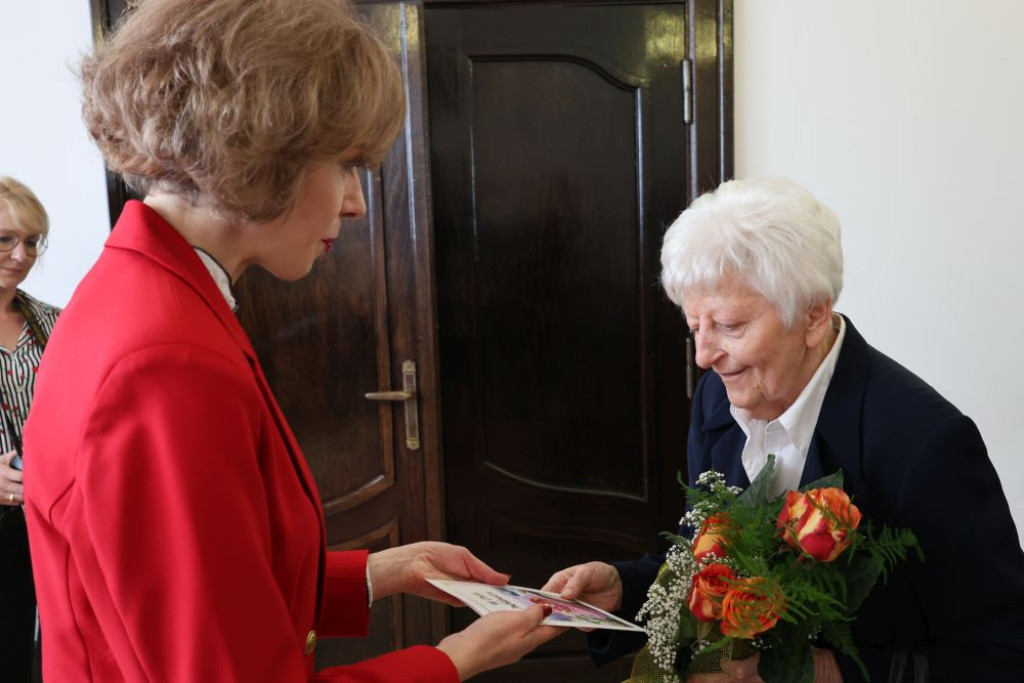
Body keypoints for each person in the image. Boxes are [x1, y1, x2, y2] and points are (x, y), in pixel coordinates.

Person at [22, 1, 561, 681]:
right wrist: (453, 659)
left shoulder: (141, 293)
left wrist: (382, 571)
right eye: (343, 164)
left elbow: (192, 587)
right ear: (258, 148)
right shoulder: (164, 359)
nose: (356, 202)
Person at [543, 177, 1024, 682]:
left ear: (814, 315)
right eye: (694, 327)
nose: (705, 356)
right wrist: (623, 588)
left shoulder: (925, 445)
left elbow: (1004, 656)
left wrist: (819, 670)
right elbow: (706, 564)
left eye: (729, 326)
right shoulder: (718, 397)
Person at [0, 176, 60, 682]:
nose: (21, 254)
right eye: (5, 239)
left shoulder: (56, 323)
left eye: (32, 241)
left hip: (54, 517)